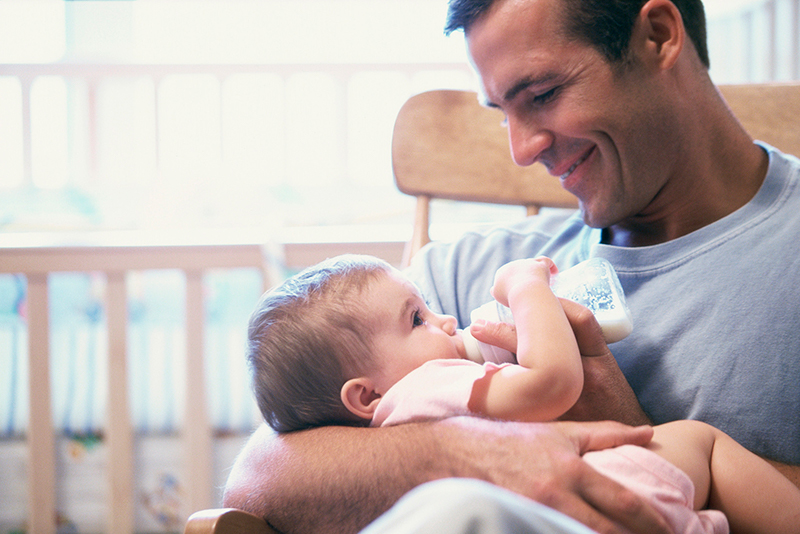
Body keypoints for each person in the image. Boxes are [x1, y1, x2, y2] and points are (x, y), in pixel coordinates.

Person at [224, 0, 800, 532]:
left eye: (543, 93)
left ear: (657, 36)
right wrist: (468, 452)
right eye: (503, 112)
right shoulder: (457, 275)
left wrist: (629, 435)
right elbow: (258, 479)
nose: (521, 150)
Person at [246, 253, 800, 533]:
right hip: (585, 502)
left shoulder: (408, 408)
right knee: (695, 441)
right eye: (416, 318)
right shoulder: (427, 386)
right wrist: (526, 287)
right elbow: (552, 385)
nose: (444, 321)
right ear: (364, 398)